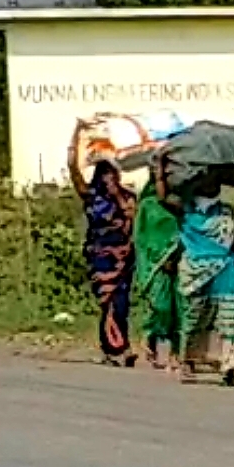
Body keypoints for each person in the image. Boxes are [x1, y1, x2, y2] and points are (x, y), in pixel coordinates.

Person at [176, 187, 234, 385]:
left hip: (227, 269)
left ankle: (232, 366)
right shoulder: (185, 209)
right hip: (196, 271)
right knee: (196, 317)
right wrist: (160, 170)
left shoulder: (227, 211)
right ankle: (189, 359)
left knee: (232, 319)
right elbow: (162, 198)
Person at [68, 155, 137, 367]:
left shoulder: (127, 196)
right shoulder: (92, 196)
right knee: (108, 303)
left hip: (121, 257)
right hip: (99, 257)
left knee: (122, 303)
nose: (109, 179)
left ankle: (117, 347)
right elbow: (73, 171)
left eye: (112, 174)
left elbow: (132, 221)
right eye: (105, 174)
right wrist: (76, 138)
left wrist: (118, 197)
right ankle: (118, 349)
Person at [132, 157, 184, 372]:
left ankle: (176, 353)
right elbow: (141, 238)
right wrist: (155, 260)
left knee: (180, 309)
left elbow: (184, 230)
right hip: (155, 264)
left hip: (178, 259)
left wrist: (176, 256)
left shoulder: (178, 204)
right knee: (160, 306)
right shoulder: (146, 206)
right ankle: (151, 339)